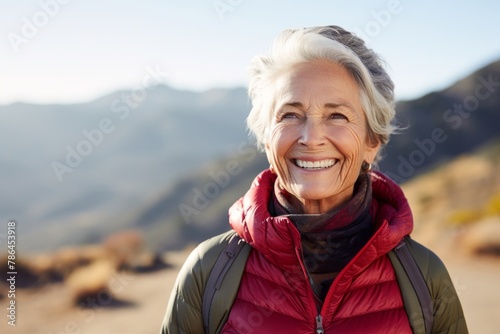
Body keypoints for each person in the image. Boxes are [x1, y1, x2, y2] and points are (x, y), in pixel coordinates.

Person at [160, 25, 468, 333]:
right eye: (290, 115)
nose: (311, 138)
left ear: (372, 141)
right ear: (267, 139)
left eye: (337, 116)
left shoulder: (423, 279)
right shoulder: (210, 272)